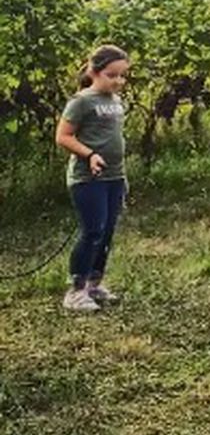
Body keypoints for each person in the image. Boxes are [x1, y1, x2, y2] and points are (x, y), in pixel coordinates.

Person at [54, 45, 131, 312]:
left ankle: (94, 284)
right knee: (93, 231)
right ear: (94, 71)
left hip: (114, 177)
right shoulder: (82, 101)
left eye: (123, 76)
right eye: (112, 75)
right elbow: (63, 136)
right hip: (88, 178)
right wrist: (90, 155)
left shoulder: (115, 101)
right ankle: (76, 290)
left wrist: (122, 175)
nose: (118, 81)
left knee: (107, 232)